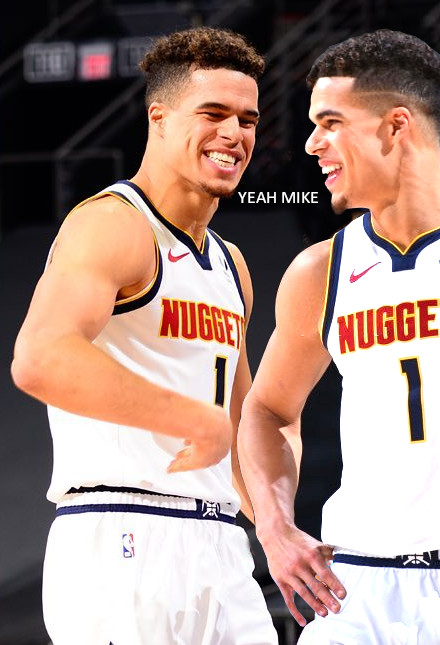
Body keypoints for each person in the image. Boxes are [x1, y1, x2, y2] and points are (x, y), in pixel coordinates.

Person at [237, 29, 440, 644]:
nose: (312, 144)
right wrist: (273, 530)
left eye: (330, 123)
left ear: (396, 125)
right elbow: (266, 410)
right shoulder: (321, 270)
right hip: (356, 588)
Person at [11, 27, 277, 645]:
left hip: (220, 541)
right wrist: (196, 420)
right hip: (122, 531)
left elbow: (238, 418)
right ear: (158, 118)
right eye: (213, 114)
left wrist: (275, 525)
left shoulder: (231, 264)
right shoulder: (113, 224)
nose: (234, 134)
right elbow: (40, 357)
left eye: (247, 120)